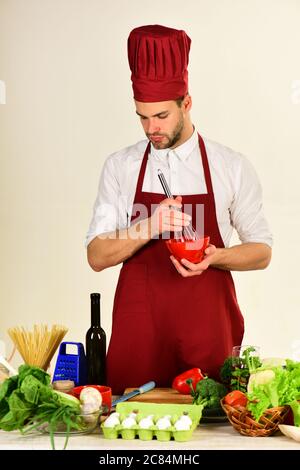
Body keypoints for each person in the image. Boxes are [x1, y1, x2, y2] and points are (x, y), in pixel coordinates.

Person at [86, 25, 272, 394]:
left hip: (207, 333)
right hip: (140, 336)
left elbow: (262, 251)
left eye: (161, 116)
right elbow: (96, 255)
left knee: (213, 428)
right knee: (133, 428)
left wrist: (215, 257)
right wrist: (150, 226)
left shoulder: (229, 166)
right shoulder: (120, 166)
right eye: (142, 117)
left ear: (186, 104)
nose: (151, 128)